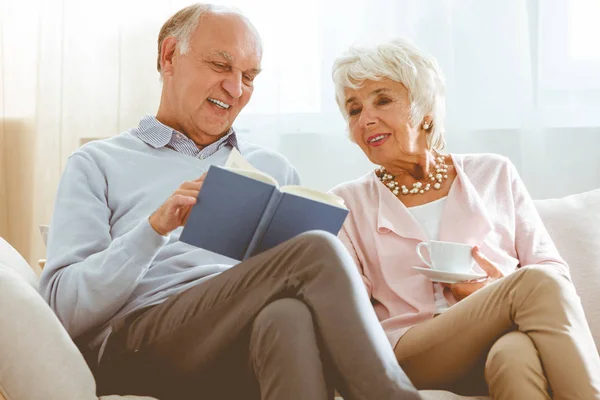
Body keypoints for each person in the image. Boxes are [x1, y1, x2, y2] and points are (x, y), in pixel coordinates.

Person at [39, 5, 421, 400]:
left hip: (239, 341)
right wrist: (153, 229)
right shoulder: (97, 163)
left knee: (285, 316)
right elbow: (64, 308)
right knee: (317, 250)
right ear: (169, 57)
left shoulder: (273, 168)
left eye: (249, 77)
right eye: (221, 66)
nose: (236, 89)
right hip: (139, 345)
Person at [330, 38, 600, 399]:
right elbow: (350, 316)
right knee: (534, 283)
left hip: (498, 338)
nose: (366, 119)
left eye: (382, 100)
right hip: (411, 352)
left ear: (424, 110)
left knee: (515, 357)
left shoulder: (494, 173)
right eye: (353, 109)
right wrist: (513, 291)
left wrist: (494, 291)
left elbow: (553, 268)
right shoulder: (345, 203)